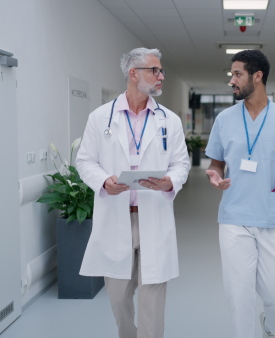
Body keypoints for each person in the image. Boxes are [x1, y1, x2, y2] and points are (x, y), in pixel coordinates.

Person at [76, 47, 190, 338]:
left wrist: (169, 181)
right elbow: (85, 160)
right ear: (133, 74)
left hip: (153, 216)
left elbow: (181, 163)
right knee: (118, 300)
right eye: (155, 70)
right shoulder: (100, 117)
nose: (161, 76)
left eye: (161, 70)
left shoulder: (170, 120)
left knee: (153, 303)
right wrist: (103, 182)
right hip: (116, 217)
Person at [205, 49, 275, 338]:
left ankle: (270, 327)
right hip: (234, 218)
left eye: (237, 74)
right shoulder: (224, 120)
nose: (232, 81)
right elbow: (216, 163)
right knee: (239, 298)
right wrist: (214, 175)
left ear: (258, 76)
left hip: (273, 217)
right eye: (232, 75)